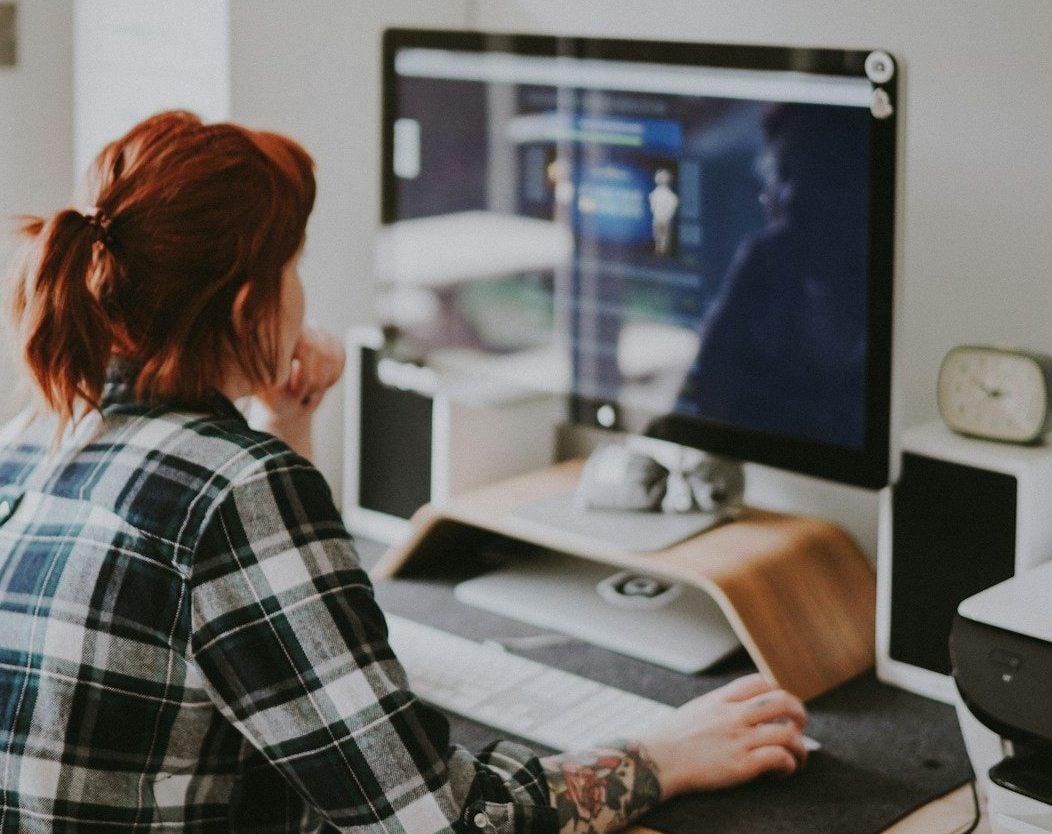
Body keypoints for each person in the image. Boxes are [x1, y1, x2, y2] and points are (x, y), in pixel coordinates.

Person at [0, 111, 809, 833]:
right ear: (250, 305)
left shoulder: (29, 439)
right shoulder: (235, 490)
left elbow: (281, 664)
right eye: (295, 267)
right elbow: (440, 822)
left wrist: (285, 422)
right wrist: (662, 757)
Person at [683, 103, 871, 448]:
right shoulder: (763, 278)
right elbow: (697, 409)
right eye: (781, 176)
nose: (793, 197)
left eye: (815, 175)